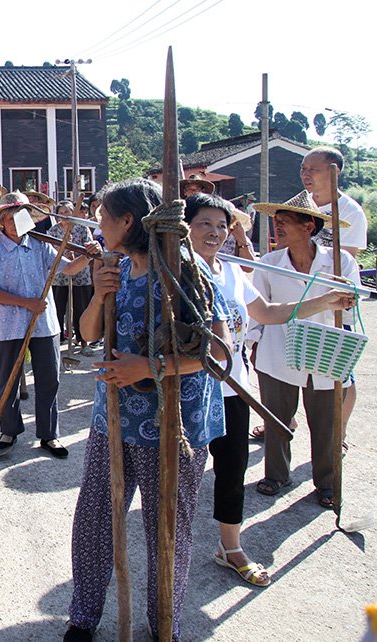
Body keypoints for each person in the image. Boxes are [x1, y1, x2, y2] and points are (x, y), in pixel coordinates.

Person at [64, 178, 232, 642]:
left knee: (166, 532)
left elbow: (218, 354)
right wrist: (99, 294)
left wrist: (148, 367)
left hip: (172, 428)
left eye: (102, 217)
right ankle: (83, 617)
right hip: (112, 420)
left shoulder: (185, 274)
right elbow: (89, 333)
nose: (97, 224)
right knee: (95, 520)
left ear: (127, 221)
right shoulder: (114, 270)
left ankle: (163, 627)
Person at [184, 192, 355, 587]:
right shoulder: (176, 272)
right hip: (189, 391)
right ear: (185, 227)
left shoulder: (231, 272)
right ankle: (172, 547)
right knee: (182, 475)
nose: (215, 232)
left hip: (234, 391)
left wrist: (325, 300)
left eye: (222, 225)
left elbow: (268, 313)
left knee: (232, 471)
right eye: (205, 223)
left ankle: (230, 547)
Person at [247, 191, 359, 509]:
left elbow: (350, 313)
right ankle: (276, 475)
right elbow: (258, 311)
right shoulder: (269, 264)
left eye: (284, 221)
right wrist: (253, 344)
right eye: (276, 221)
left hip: (324, 352)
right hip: (277, 351)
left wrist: (346, 298)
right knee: (277, 420)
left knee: (326, 423)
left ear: (309, 226)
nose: (277, 227)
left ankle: (327, 482)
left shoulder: (340, 262)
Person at [0, 192, 99, 459]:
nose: (14, 223)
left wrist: (89, 256)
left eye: (19, 217)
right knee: (8, 378)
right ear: (1, 221)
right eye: (9, 218)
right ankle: (9, 430)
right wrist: (26, 303)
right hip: (9, 325)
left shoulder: (41, 246)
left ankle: (49, 434)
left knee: (49, 378)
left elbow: (69, 268)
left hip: (44, 324)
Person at [299, 145, 366, 451]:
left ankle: (339, 432)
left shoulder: (349, 210)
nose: (306, 174)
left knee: (339, 369)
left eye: (313, 169)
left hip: (333, 301)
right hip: (299, 295)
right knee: (294, 364)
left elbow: (345, 260)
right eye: (303, 168)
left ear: (334, 172)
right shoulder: (300, 203)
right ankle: (288, 420)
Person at [46, 201, 95, 356]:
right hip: (59, 277)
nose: (64, 215)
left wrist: (75, 254)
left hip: (80, 276)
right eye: (61, 212)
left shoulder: (82, 228)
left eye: (67, 212)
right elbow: (49, 251)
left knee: (81, 309)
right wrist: (63, 252)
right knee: (58, 310)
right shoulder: (53, 230)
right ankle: (56, 342)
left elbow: (89, 249)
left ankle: (83, 341)